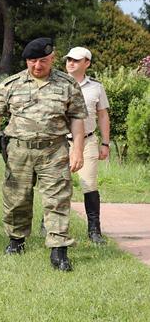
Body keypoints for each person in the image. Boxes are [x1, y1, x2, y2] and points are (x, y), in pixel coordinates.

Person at [0, 37, 87, 272]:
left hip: (54, 150)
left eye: (42, 61)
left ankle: (58, 250)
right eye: (32, 61)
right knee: (16, 198)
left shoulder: (68, 84)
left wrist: (77, 149)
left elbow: (78, 119)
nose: (37, 66)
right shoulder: (11, 84)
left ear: (52, 58)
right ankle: (16, 240)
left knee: (57, 198)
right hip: (19, 150)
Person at [64, 46, 110, 244]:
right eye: (68, 60)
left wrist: (106, 143)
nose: (70, 63)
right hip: (60, 142)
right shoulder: (58, 84)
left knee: (89, 185)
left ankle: (94, 230)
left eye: (76, 60)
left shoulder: (96, 87)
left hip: (88, 141)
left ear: (87, 63)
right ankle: (50, 225)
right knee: (57, 184)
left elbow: (103, 115)